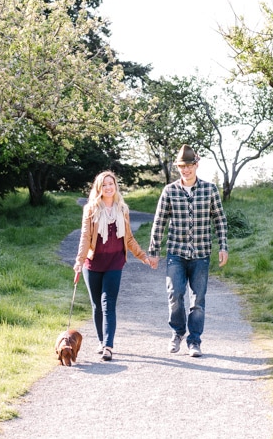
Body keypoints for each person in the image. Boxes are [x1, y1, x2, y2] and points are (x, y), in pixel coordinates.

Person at [147, 145, 228, 358]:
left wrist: (223, 246)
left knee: (198, 300)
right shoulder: (170, 191)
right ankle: (177, 332)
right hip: (176, 252)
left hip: (201, 253)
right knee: (175, 294)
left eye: (189, 165)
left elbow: (220, 220)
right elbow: (159, 221)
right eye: (182, 166)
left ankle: (194, 341)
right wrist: (153, 250)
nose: (186, 170)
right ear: (178, 168)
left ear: (196, 165)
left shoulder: (210, 190)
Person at [74, 170, 155, 361]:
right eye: (104, 185)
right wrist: (79, 262)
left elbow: (128, 238)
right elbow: (85, 237)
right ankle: (102, 341)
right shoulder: (91, 209)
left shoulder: (122, 209)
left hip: (114, 263)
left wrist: (143, 256)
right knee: (96, 305)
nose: (108, 188)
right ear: (99, 188)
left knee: (108, 303)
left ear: (115, 186)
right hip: (92, 264)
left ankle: (108, 346)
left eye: (111, 184)